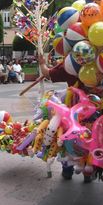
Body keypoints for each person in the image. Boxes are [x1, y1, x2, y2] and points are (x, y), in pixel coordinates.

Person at [38, 54, 95, 182]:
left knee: (68, 137)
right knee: (91, 137)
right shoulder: (102, 60)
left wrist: (42, 63)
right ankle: (88, 171)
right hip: (94, 108)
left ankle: (67, 169)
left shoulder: (70, 64)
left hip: (72, 109)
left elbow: (47, 74)